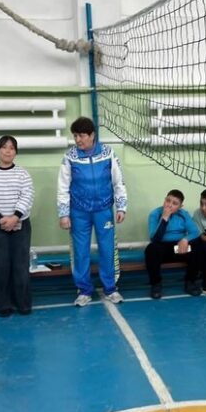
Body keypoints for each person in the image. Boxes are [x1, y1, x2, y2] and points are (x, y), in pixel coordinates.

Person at [57, 117, 127, 306]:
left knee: (107, 249)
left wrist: (121, 207)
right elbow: (63, 187)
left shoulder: (108, 153)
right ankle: (84, 291)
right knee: (80, 252)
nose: (78, 140)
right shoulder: (69, 157)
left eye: (81, 135)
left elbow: (118, 182)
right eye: (75, 136)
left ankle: (111, 289)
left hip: (104, 211)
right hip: (78, 212)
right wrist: (64, 214)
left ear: (92, 135)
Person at [0, 135, 35, 316]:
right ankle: (3, 303)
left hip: (21, 225)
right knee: (0, 265)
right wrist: (0, 218)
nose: (7, 151)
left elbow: (27, 196)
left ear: (16, 152)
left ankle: (23, 302)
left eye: (11, 148)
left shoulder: (23, 174)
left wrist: (15, 217)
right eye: (4, 147)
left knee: (21, 265)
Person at [144, 189, 201, 299]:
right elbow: (154, 238)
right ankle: (156, 284)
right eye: (168, 200)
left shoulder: (183, 214)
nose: (169, 205)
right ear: (164, 200)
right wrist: (164, 218)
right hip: (163, 249)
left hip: (179, 248)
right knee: (151, 249)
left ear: (180, 206)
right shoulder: (155, 214)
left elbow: (195, 232)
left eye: (174, 203)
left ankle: (190, 282)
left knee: (198, 245)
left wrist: (185, 239)